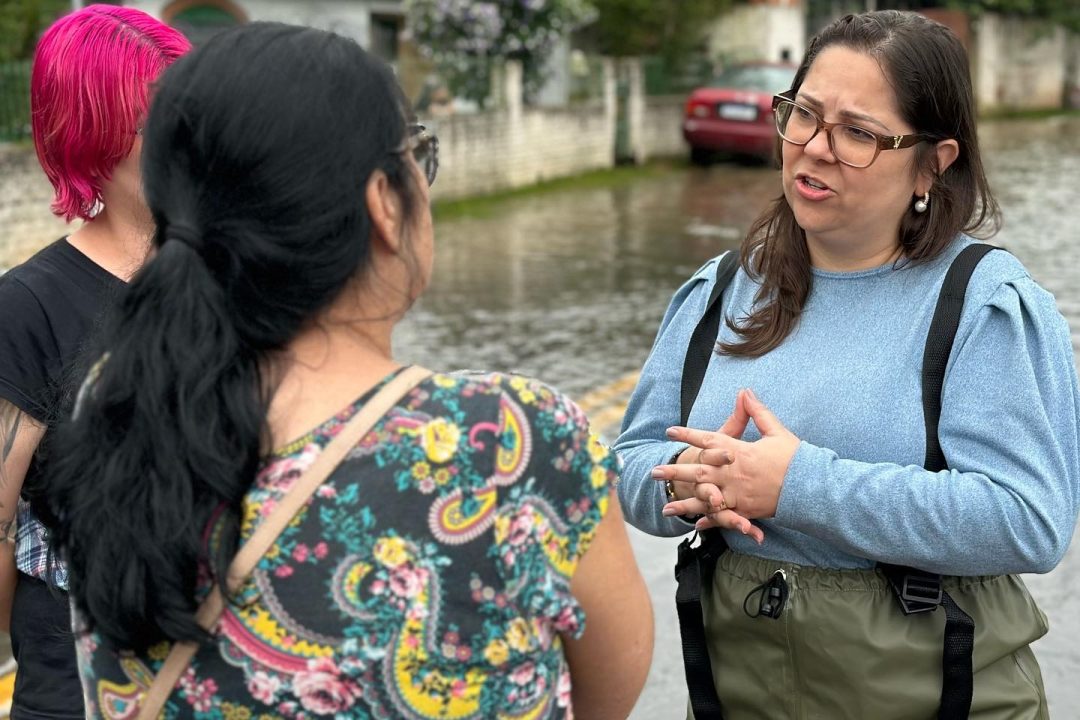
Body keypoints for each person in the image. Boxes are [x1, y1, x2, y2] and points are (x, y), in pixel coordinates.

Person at [40, 22, 652, 718]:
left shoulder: (118, 405)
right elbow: (607, 696)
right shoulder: (513, 442)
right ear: (383, 204)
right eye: (417, 154)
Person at [616, 10, 1079, 719]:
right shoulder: (719, 290)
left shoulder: (984, 305)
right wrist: (690, 488)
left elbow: (1028, 520)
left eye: (858, 133)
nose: (815, 148)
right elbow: (630, 463)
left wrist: (797, 486)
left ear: (934, 160)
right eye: (803, 115)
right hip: (741, 693)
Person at [0, 7, 189, 719]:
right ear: (96, 131)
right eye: (160, 116)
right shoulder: (25, 308)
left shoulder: (226, 280)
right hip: (76, 691)